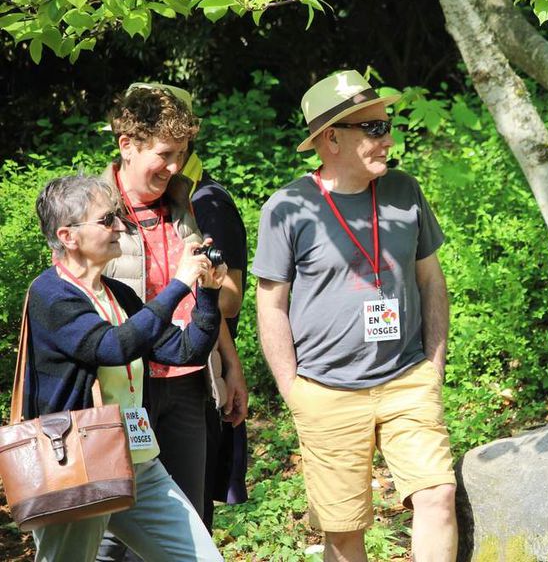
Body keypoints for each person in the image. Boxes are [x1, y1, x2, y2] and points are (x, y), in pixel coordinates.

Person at [253, 70, 457, 562]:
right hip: (325, 390)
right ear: (331, 140)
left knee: (437, 496)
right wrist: (292, 389)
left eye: (386, 126)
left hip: (407, 379)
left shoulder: (404, 191)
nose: (387, 138)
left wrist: (433, 366)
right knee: (344, 531)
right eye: (374, 129)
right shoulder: (287, 208)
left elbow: (432, 281)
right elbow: (270, 305)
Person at [25, 174, 225, 561]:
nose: (119, 226)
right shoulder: (50, 295)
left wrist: (208, 293)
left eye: (117, 216)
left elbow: (186, 352)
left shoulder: (119, 294)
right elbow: (112, 347)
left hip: (138, 459)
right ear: (68, 236)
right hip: (77, 466)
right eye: (106, 220)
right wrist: (180, 283)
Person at [97, 84, 248, 561]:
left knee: (187, 526)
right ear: (127, 145)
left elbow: (200, 294)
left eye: (182, 154)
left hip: (186, 386)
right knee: (111, 531)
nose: (174, 167)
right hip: (124, 389)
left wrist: (229, 365)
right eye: (164, 154)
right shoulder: (91, 212)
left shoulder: (184, 205)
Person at [180, 143, 250, 527]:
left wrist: (176, 291)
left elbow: (229, 299)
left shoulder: (207, 202)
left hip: (198, 372)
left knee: (193, 510)